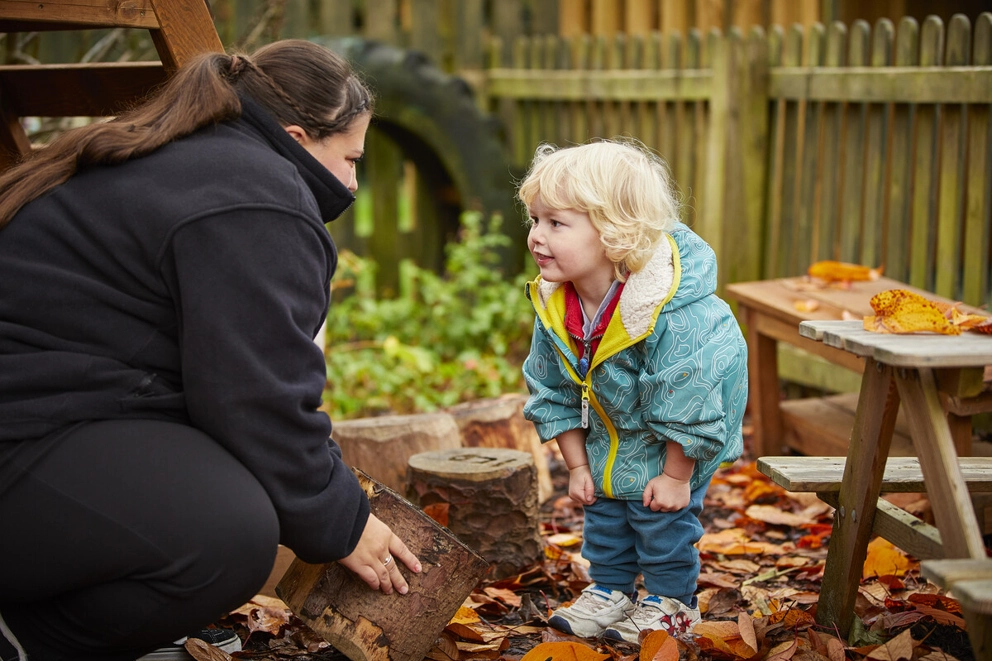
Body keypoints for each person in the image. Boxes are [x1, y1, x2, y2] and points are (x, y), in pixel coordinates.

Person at [0, 39, 422, 661]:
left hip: (45, 422)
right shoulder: (257, 196)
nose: (354, 183)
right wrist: (343, 523)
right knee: (229, 534)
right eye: (352, 158)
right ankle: (27, 640)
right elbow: (257, 397)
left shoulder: (180, 153)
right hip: (25, 439)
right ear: (298, 138)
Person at [518, 139, 747, 644]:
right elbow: (551, 388)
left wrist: (675, 476)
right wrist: (578, 466)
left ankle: (670, 603)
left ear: (614, 232)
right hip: (613, 430)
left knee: (660, 519)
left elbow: (689, 399)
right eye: (535, 220)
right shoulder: (558, 306)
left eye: (556, 223)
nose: (537, 236)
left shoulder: (670, 311)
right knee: (604, 510)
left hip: (682, 439)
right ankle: (611, 589)